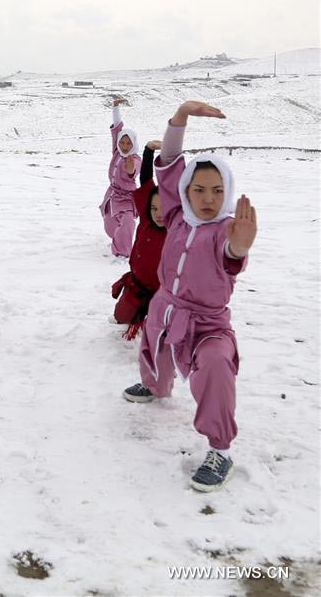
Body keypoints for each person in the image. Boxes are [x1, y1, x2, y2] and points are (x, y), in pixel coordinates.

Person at [122, 101, 257, 492]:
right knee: (153, 347)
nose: (208, 198)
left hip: (207, 323)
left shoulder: (226, 230)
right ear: (186, 191)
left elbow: (231, 257)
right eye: (199, 188)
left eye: (217, 190)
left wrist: (239, 249)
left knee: (215, 364)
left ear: (227, 192)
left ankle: (221, 450)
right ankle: (155, 385)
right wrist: (179, 117)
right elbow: (167, 163)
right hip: (166, 306)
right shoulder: (179, 215)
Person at [111, 140, 166, 338]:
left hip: (163, 292)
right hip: (138, 284)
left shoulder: (176, 230)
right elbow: (145, 179)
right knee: (121, 316)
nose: (159, 214)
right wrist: (149, 151)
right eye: (154, 209)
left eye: (164, 209)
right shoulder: (145, 220)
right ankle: (133, 317)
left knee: (158, 331)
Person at [99, 98, 142, 257]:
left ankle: (123, 253)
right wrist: (115, 107)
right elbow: (117, 130)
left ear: (133, 144)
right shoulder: (117, 152)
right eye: (122, 143)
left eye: (128, 144)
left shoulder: (135, 158)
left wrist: (130, 169)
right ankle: (117, 239)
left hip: (127, 197)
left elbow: (133, 170)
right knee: (110, 226)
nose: (124, 146)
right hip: (112, 194)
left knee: (127, 222)